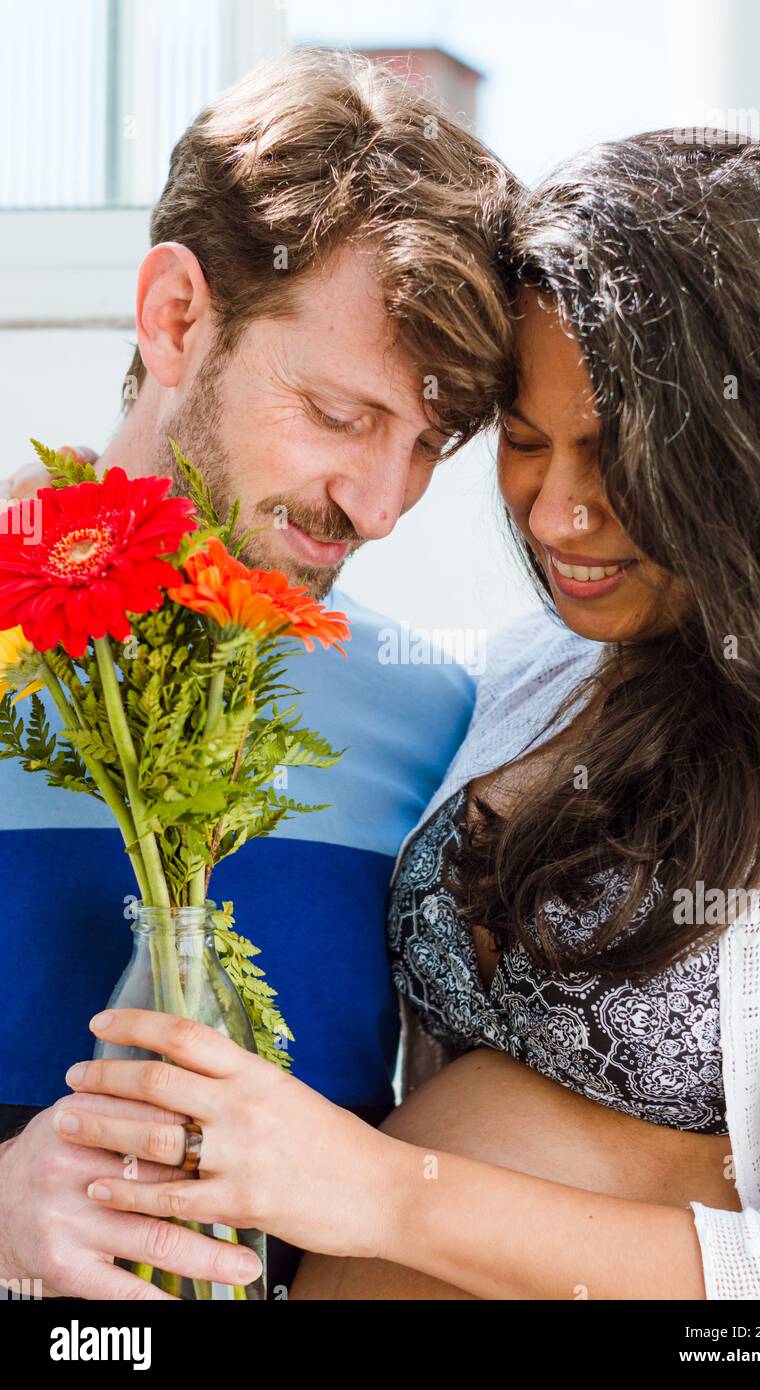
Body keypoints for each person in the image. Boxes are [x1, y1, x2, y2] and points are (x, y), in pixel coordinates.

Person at [47, 129, 760, 1301]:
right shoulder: (508, 684)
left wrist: (382, 1191)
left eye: (620, 456)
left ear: (759, 446)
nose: (558, 513)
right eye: (525, 444)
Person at [0, 46, 517, 1299]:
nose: (382, 506)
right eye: (340, 417)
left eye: (428, 446)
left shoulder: (445, 717)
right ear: (177, 317)